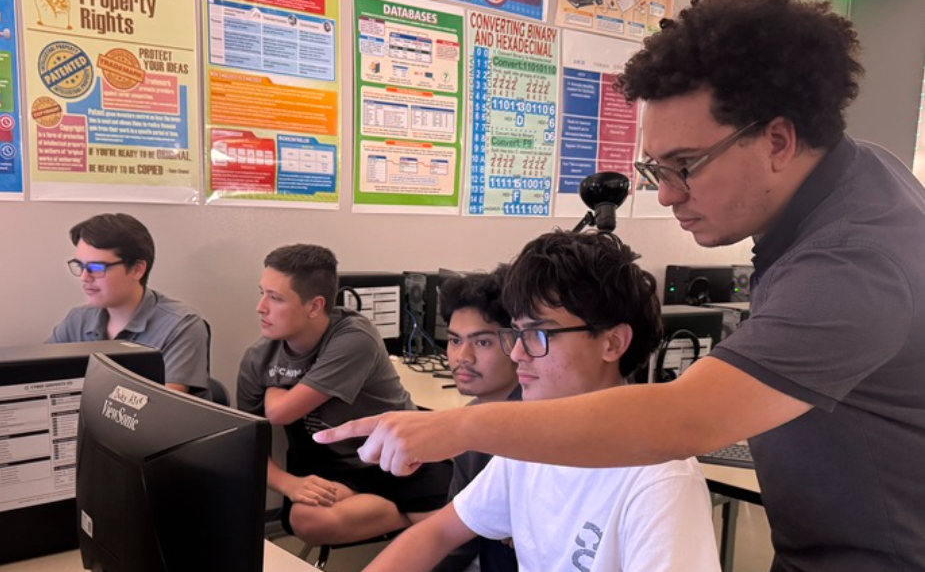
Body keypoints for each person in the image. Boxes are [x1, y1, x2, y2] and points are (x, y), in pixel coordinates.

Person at [318, 0, 925, 572]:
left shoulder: (855, 260)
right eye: (655, 168)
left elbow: (682, 420)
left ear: (778, 141)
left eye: (686, 165)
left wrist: (458, 427)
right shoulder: (844, 184)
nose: (664, 194)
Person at [359, 231, 719, 572]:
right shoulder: (532, 445)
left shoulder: (660, 479)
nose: (517, 352)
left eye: (538, 334)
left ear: (611, 343)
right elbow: (437, 532)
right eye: (517, 333)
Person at [236, 244, 452, 547]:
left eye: (275, 298)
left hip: (401, 458)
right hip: (338, 468)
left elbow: (280, 413)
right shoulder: (257, 358)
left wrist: (274, 392)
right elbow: (248, 447)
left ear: (314, 306)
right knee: (304, 519)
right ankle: (411, 514)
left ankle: (416, 513)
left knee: (451, 549)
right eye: (262, 293)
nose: (261, 307)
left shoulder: (353, 337)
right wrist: (290, 484)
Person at [48, 213, 209, 395]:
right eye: (80, 266)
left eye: (96, 268)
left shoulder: (181, 325)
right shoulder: (76, 320)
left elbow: (163, 408)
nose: (85, 277)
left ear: (136, 269)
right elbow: (38, 376)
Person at [434, 267, 520, 572]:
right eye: (455, 341)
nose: (462, 357)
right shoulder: (469, 420)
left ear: (518, 344)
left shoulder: (537, 425)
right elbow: (454, 541)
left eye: (482, 342)